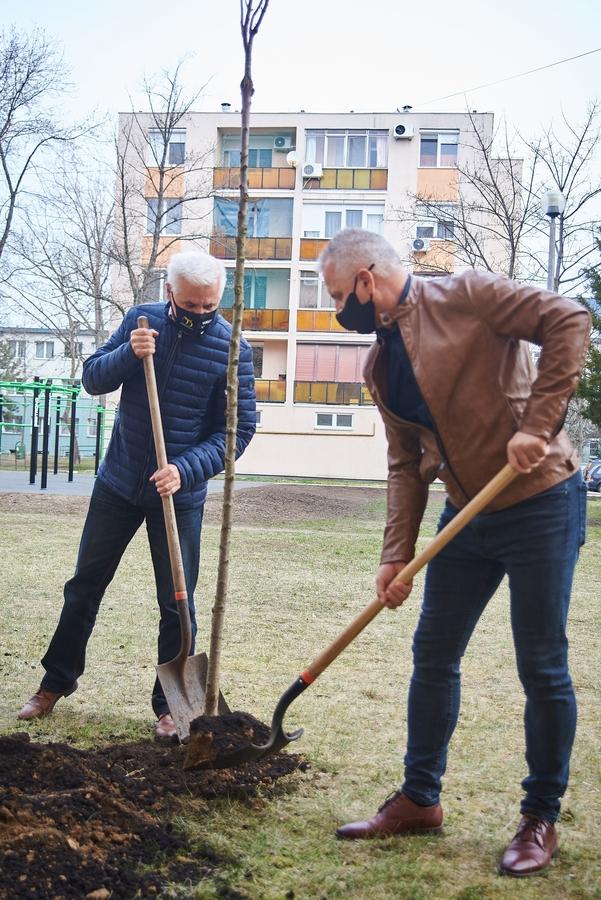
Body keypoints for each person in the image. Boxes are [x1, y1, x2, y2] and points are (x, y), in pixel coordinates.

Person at [320, 229, 590, 877]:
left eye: (336, 295)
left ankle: (540, 816)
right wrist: (395, 553)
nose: (336, 310)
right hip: (464, 513)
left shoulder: (466, 295)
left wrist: (538, 424)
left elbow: (569, 318)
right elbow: (403, 463)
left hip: (540, 499)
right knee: (433, 654)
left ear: (365, 280)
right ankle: (420, 798)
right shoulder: (379, 364)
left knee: (540, 664)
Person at [18, 251, 257, 740]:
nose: (200, 314)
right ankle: (54, 683)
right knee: (84, 586)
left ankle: (171, 707)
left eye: (209, 305)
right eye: (190, 305)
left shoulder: (233, 348)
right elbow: (92, 378)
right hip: (119, 484)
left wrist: (184, 470)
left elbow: (236, 431)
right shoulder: (140, 321)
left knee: (177, 603)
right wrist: (130, 352)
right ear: (170, 293)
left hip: (178, 496)